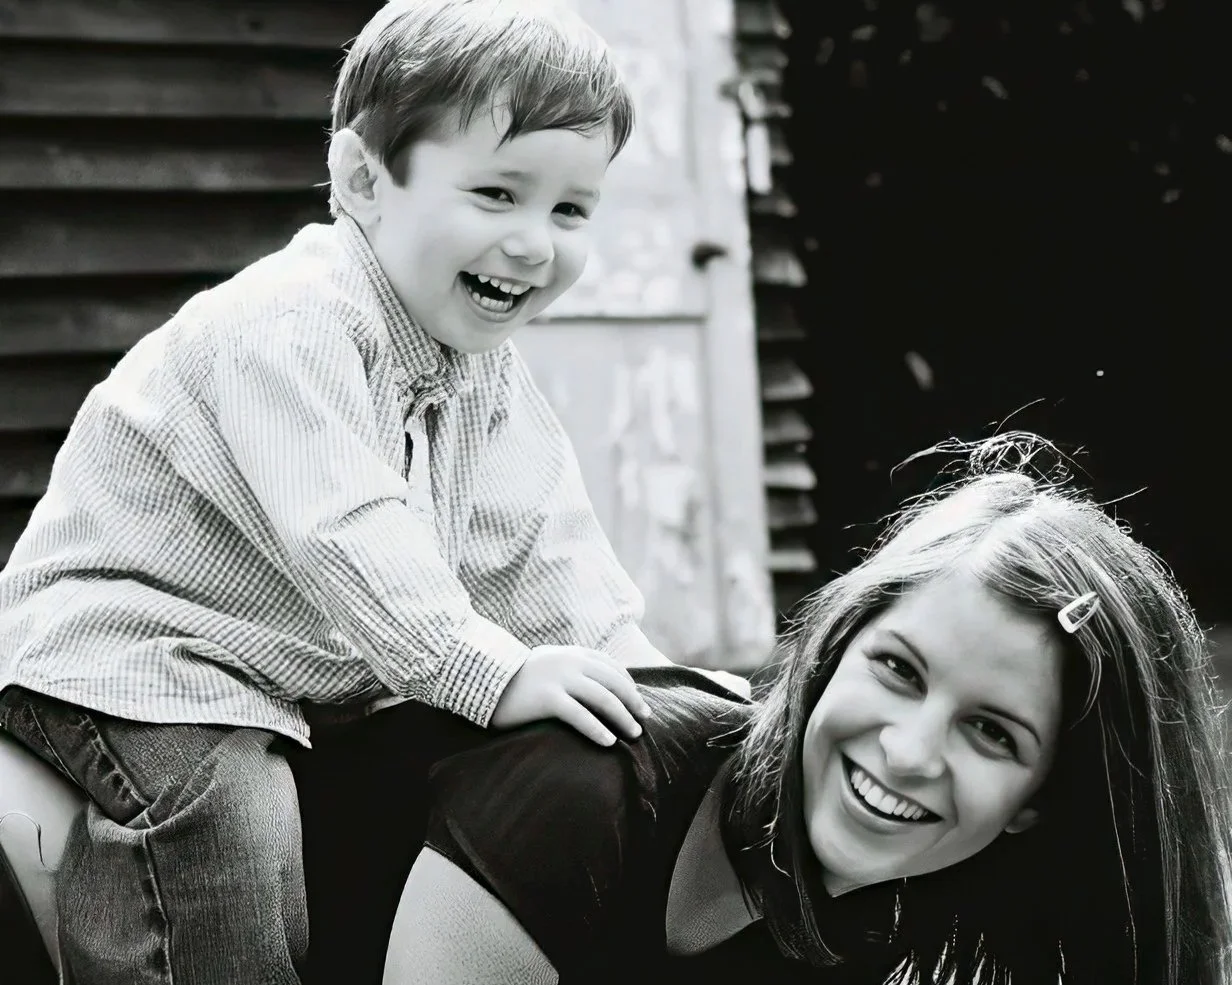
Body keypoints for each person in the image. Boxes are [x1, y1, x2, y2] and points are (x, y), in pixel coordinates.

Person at [0, 2, 744, 982]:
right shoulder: (291, 323)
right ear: (364, 180)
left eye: (569, 210)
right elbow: (345, 530)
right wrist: (486, 669)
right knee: (224, 820)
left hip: (275, 674)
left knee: (396, 793)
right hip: (134, 655)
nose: (533, 243)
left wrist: (662, 700)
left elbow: (540, 546)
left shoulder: (477, 366)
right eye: (495, 193)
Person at [379, 434, 1232, 985]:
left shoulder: (893, 911)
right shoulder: (585, 787)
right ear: (833, 651)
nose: (907, 751)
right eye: (898, 668)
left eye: (991, 730)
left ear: (1037, 802)